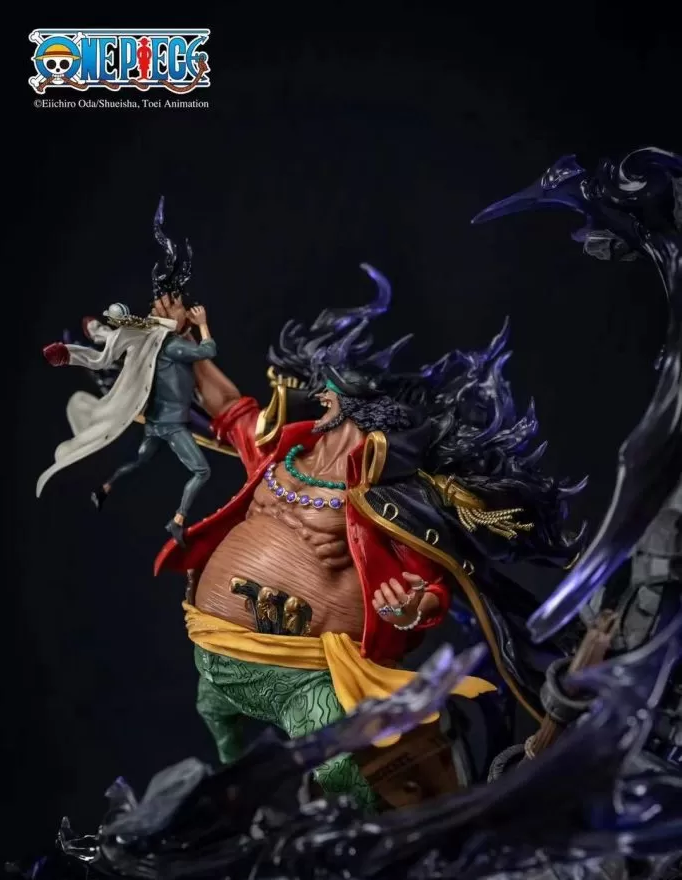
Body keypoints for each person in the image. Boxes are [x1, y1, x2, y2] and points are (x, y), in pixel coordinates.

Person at [154, 264, 584, 806]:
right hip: (213, 649)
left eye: (328, 390)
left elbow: (430, 585)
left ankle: (397, 838)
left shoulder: (391, 500)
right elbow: (228, 409)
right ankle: (234, 806)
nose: (317, 395)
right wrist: (187, 344)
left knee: (341, 775)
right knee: (218, 729)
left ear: (353, 407)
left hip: (305, 680)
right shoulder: (280, 451)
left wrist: (412, 606)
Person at [37, 198, 216, 546]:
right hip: (173, 423)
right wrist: (203, 324)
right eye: (179, 306)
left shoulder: (154, 336)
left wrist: (86, 343)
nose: (185, 309)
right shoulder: (169, 343)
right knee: (202, 470)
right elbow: (208, 351)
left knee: (138, 461)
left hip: (159, 420)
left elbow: (117, 343)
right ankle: (177, 521)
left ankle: (106, 487)